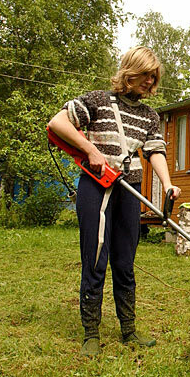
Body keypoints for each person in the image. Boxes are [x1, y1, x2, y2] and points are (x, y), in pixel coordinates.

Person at [48, 46, 180, 356]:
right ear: (130, 72)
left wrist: (168, 182)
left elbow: (155, 151)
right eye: (145, 74)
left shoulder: (149, 116)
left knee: (125, 262)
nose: (150, 81)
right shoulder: (97, 101)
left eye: (154, 76)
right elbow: (58, 123)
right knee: (96, 258)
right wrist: (91, 150)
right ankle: (91, 333)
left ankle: (129, 330)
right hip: (96, 187)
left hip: (129, 189)